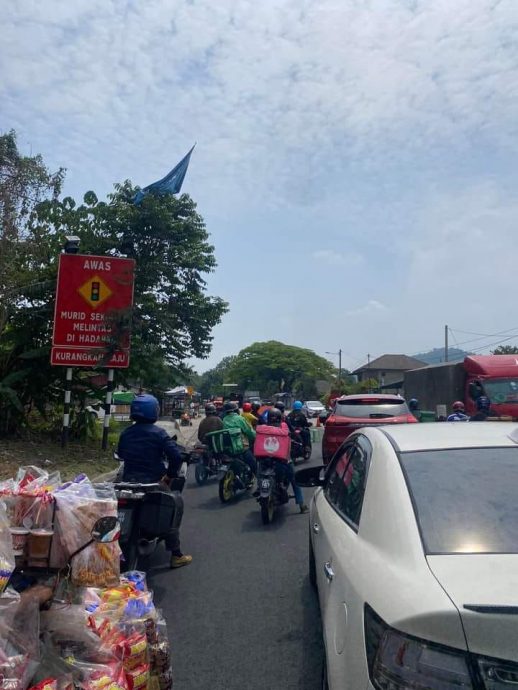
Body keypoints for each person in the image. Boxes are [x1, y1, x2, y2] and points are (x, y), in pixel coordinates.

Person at [117, 394, 192, 569]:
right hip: (152, 483)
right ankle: (176, 554)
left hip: (127, 482)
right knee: (174, 505)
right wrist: (169, 475)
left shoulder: (126, 432)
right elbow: (175, 456)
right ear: (154, 411)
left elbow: (120, 454)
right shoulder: (159, 434)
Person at [261, 407, 308, 513]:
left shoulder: (263, 428)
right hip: (282, 460)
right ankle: (302, 505)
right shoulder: (284, 426)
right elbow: (290, 436)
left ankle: (260, 488)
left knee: (260, 470)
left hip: (266, 460)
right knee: (295, 481)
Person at [222, 401, 257, 478]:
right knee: (253, 464)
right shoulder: (240, 419)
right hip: (241, 448)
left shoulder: (224, 420)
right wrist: (255, 437)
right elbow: (249, 432)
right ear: (236, 410)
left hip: (228, 449)